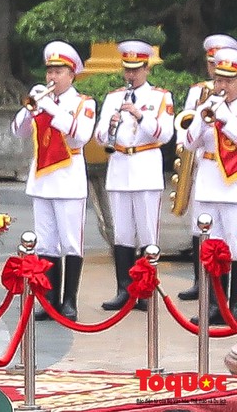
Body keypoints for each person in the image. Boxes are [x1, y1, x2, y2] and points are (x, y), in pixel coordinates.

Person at [11, 40, 96, 321]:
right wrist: (31, 109)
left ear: (71, 75)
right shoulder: (43, 101)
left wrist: (51, 108)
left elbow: (79, 135)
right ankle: (48, 300)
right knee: (46, 243)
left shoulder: (83, 103)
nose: (52, 77)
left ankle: (69, 300)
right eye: (49, 71)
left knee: (71, 242)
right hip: (42, 180)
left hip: (69, 179)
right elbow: (18, 131)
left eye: (59, 71)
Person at [94, 40, 174, 312]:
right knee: (123, 234)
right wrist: (110, 127)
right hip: (119, 167)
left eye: (136, 70)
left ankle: (146, 290)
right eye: (127, 70)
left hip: (145, 167)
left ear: (146, 69)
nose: (131, 75)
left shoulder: (160, 97)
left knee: (148, 233)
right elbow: (100, 135)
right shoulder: (113, 98)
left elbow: (165, 134)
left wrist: (139, 115)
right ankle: (123, 290)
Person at [177, 34, 237, 304]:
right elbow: (189, 143)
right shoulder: (208, 104)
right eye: (219, 80)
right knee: (212, 247)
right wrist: (202, 121)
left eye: (228, 81)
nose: (222, 86)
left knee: (234, 249)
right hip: (208, 180)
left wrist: (224, 118)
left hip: (233, 185)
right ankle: (215, 304)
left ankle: (234, 305)